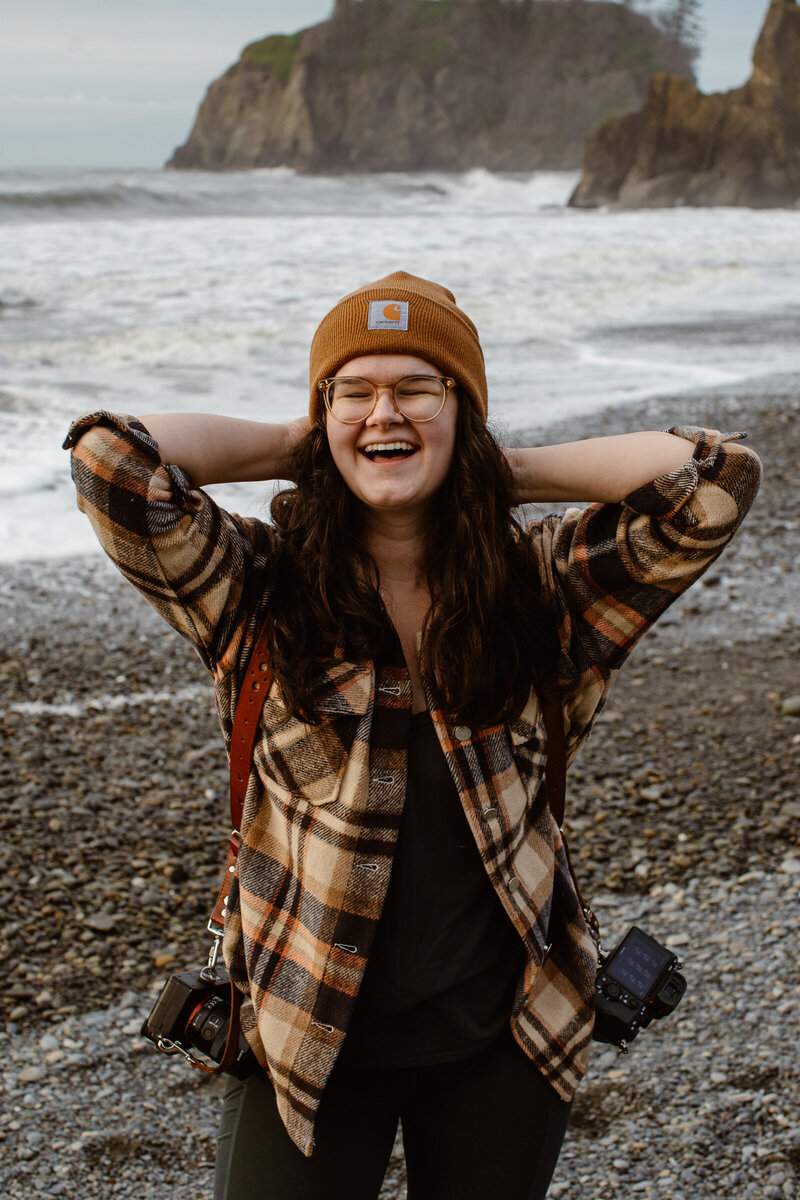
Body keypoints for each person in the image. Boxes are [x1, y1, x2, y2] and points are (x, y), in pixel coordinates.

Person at [65, 270, 761, 1200]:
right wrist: (305, 445)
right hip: (306, 1033)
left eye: (417, 389)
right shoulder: (260, 587)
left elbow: (717, 481)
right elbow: (109, 463)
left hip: (505, 1038)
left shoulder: (544, 590)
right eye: (353, 390)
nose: (382, 411)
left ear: (462, 406)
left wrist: (483, 463)